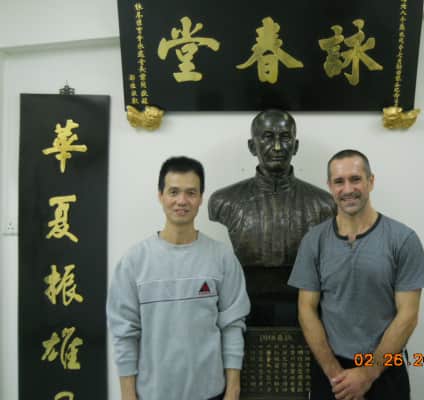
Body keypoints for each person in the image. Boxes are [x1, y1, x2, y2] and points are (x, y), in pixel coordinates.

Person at [288, 149, 424, 400]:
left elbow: (408, 315)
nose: (348, 189)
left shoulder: (402, 239)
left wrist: (368, 373)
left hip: (385, 369)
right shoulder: (314, 241)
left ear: (371, 181)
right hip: (331, 373)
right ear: (330, 186)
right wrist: (336, 375)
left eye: (355, 179)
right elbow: (306, 309)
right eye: (339, 181)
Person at [107, 156, 251, 400]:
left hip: (211, 394)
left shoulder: (222, 257)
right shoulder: (134, 262)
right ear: (160, 195)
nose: (182, 201)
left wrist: (233, 390)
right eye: (173, 192)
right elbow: (124, 335)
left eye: (191, 193)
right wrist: (127, 394)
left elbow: (233, 327)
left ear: (201, 198)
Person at [209, 109, 336, 268]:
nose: (277, 147)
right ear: (252, 146)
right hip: (246, 284)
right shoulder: (223, 201)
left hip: (303, 284)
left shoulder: (324, 204)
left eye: (285, 137)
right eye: (268, 137)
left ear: (295, 146)